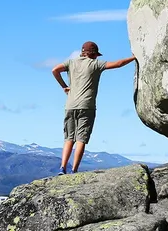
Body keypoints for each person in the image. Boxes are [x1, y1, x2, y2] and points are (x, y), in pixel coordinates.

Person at [51, 41, 137, 174]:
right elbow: (118, 64)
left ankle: (62, 168)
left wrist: (64, 87)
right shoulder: (96, 64)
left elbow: (55, 70)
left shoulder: (71, 63)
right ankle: (74, 170)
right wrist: (134, 57)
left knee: (69, 138)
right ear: (94, 54)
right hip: (87, 106)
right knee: (81, 139)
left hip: (70, 106)